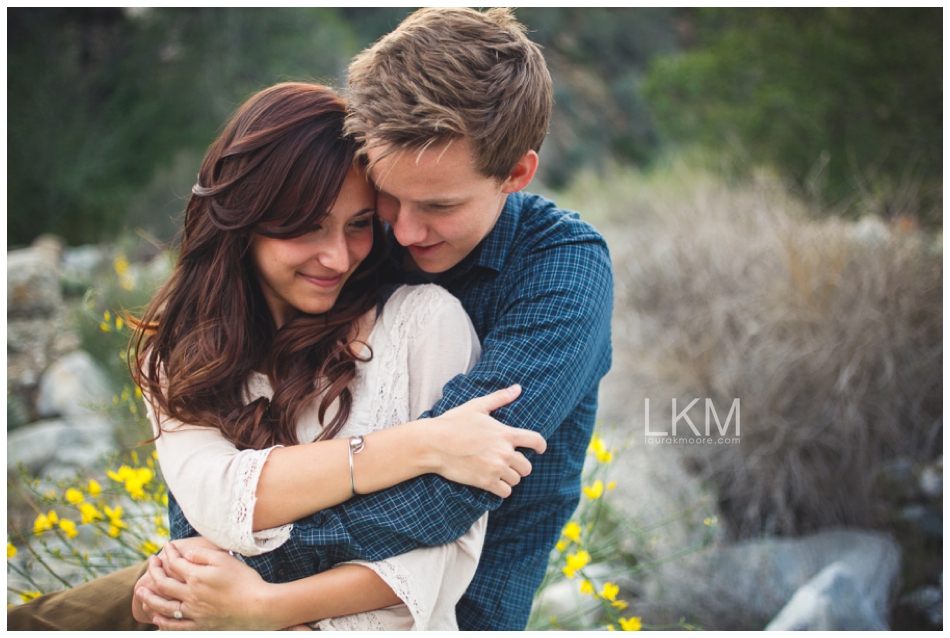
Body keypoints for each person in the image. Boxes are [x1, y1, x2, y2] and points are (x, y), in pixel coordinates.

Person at [7, 81, 545, 631]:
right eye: (308, 226)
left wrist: (260, 607)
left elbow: (443, 557)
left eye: (359, 224)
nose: (337, 257)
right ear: (245, 218)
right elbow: (219, 499)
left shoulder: (424, 324)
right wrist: (423, 443)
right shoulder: (179, 355)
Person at [145, 6, 613, 631]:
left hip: (452, 611)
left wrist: (241, 569)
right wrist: (206, 563)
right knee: (48, 617)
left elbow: (449, 496)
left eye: (440, 206)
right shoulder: (356, 239)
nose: (404, 231)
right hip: (242, 592)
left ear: (517, 174)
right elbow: (225, 422)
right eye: (387, 198)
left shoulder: (561, 274)